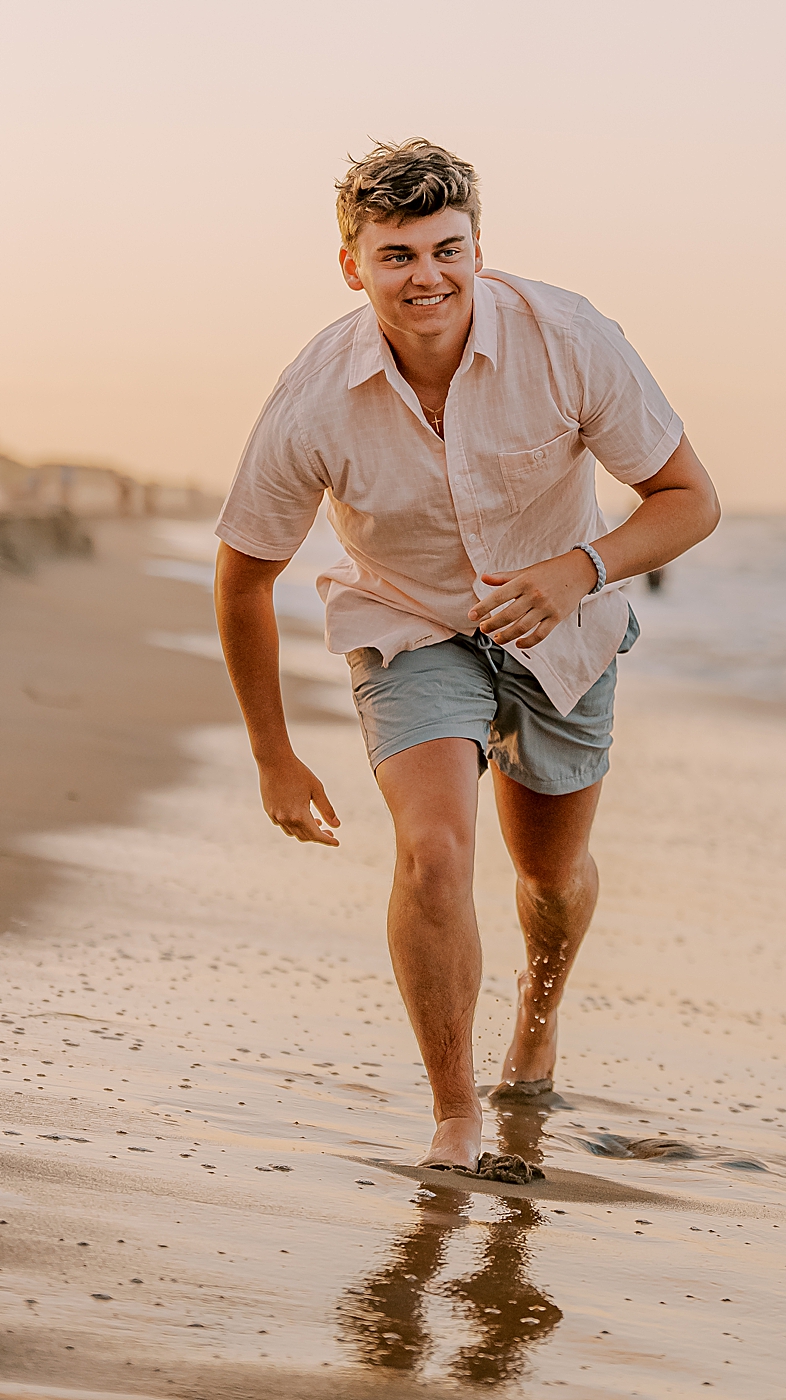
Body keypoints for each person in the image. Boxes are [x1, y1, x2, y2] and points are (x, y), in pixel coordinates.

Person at [213, 139, 719, 1175]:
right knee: (435, 852)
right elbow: (242, 578)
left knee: (551, 875)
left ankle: (536, 1024)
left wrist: (580, 569)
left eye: (447, 249)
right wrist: (272, 755)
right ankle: (454, 1114)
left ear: (479, 249)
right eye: (396, 255)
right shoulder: (313, 396)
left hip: (559, 628)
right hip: (407, 626)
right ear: (352, 265)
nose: (427, 276)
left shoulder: (568, 339)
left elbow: (688, 502)